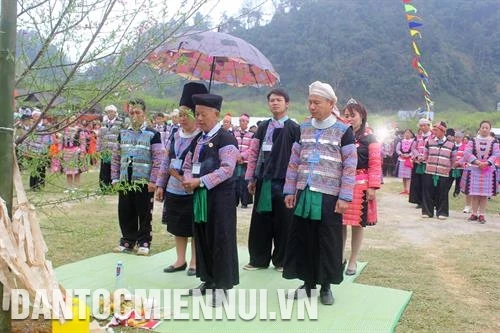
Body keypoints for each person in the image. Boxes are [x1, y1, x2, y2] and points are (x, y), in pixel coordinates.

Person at [283, 81, 357, 305]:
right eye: (310, 102)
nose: (312, 107)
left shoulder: (344, 131)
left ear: (331, 103)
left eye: (317, 102)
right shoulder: (302, 128)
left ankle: (325, 287)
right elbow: (294, 162)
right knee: (303, 238)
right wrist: (289, 190)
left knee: (327, 241)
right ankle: (307, 284)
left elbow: (350, 166)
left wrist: (344, 196)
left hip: (329, 196)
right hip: (304, 193)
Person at [182, 93, 239, 306]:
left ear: (216, 114)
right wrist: (188, 179)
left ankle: (222, 286)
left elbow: (228, 169)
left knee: (220, 239)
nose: (199, 118)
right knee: (202, 237)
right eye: (197, 114)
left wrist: (201, 181)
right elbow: (187, 164)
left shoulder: (226, 138)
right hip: (200, 197)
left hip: (220, 198)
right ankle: (208, 280)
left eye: (203, 114)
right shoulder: (198, 139)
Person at [243, 88, 300, 272]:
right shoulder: (263, 127)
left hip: (285, 183)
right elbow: (254, 153)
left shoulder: (293, 128)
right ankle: (258, 260)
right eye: (272, 100)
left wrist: (294, 184)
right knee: (261, 221)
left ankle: (282, 261)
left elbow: (298, 157)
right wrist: (251, 177)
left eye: (279, 100)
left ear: (287, 104)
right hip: (265, 181)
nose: (275, 103)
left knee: (284, 222)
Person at [155, 82, 207, 276]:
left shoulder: (203, 137)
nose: (182, 119)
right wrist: (161, 184)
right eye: (180, 114)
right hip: (173, 187)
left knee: (194, 224)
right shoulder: (174, 135)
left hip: (193, 188)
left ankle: (195, 261)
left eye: (187, 114)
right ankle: (180, 260)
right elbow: (165, 159)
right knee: (177, 224)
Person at [111, 98, 164, 255]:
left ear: (144, 114)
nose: (134, 115)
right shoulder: (122, 134)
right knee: (125, 211)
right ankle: (127, 240)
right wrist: (115, 178)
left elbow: (158, 159)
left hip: (144, 180)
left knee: (144, 212)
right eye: (132, 112)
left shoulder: (153, 134)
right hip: (125, 179)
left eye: (138, 112)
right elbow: (115, 157)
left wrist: (154, 180)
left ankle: (144, 241)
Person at [341, 99, 381, 276]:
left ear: (362, 116)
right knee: (339, 224)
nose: (349, 118)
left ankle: (353, 260)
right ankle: (339, 257)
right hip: (342, 184)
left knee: (357, 225)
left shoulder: (370, 138)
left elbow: (375, 163)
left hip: (361, 185)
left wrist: (372, 186)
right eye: (346, 115)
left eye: (353, 115)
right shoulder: (342, 134)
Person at [461, 120, 499, 223]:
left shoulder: (494, 142)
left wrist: (487, 163)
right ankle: (474, 213)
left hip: (488, 171)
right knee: (474, 193)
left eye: (487, 128)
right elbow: (467, 153)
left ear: (489, 129)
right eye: (483, 127)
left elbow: (496, 154)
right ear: (480, 128)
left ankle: (482, 214)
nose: (485, 129)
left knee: (484, 194)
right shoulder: (472, 141)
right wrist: (477, 162)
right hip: (474, 170)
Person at [421, 121, 456, 219]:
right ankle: (427, 211)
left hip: (444, 172)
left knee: (443, 192)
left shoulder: (451, 144)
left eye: (436, 130)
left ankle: (442, 212)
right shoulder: (429, 141)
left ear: (443, 131)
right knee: (428, 190)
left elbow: (453, 159)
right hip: (430, 171)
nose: (434, 132)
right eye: (434, 130)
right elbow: (425, 155)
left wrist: (449, 168)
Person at [98, 105, 123, 190]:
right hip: (105, 150)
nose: (111, 113)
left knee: (114, 169)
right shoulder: (103, 123)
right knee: (104, 169)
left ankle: (114, 187)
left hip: (115, 150)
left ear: (115, 113)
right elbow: (100, 137)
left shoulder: (120, 123)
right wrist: (99, 149)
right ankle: (104, 187)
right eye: (109, 112)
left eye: (112, 112)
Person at [409, 118, 433, 208]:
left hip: (428, 162)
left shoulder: (433, 137)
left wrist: (425, 157)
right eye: (421, 126)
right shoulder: (417, 137)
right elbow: (413, 148)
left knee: (427, 183)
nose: (422, 127)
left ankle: (427, 201)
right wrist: (418, 156)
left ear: (428, 126)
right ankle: (419, 201)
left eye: (424, 125)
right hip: (418, 162)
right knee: (417, 182)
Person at [233, 113, 254, 208]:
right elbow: (232, 146)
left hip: (245, 163)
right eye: (240, 121)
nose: (242, 123)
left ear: (248, 122)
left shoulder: (252, 135)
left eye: (244, 121)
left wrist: (242, 156)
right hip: (236, 162)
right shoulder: (234, 134)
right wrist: (237, 156)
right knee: (235, 181)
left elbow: (252, 148)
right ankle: (235, 201)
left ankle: (245, 202)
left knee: (245, 182)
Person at [396, 129, 415, 194]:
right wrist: (401, 154)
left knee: (408, 175)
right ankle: (405, 189)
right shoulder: (401, 141)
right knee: (403, 176)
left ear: (411, 134)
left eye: (409, 133)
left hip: (409, 160)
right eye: (406, 133)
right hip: (402, 159)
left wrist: (409, 155)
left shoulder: (413, 142)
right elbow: (397, 149)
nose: (407, 134)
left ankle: (409, 189)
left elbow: (414, 150)